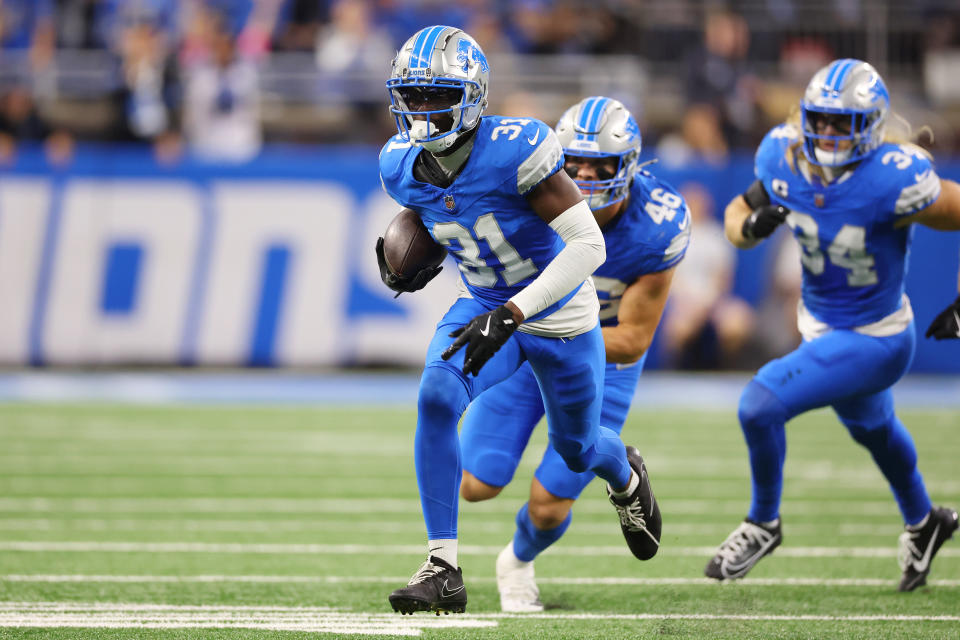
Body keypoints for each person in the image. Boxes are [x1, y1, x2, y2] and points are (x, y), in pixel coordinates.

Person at [376, 27, 659, 615]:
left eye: (438, 96)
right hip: (484, 302)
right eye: (413, 95)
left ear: (473, 96)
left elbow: (587, 247)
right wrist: (407, 254)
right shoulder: (399, 165)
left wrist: (513, 313)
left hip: (558, 312)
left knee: (578, 450)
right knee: (435, 395)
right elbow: (439, 214)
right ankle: (442, 566)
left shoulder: (516, 149)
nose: (422, 111)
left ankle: (626, 476)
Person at [704, 59, 960, 591]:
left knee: (759, 404)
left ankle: (763, 522)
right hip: (820, 325)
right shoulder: (784, 157)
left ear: (870, 125)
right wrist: (750, 228)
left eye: (840, 123)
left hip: (878, 336)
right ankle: (924, 521)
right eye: (819, 120)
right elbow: (734, 218)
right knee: (874, 430)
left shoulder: (894, 176)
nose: (826, 132)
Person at [458, 96, 689, 612]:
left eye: (599, 165)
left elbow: (632, 339)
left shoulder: (656, 224)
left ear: (627, 166)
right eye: (575, 161)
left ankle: (516, 562)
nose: (584, 175)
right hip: (528, 343)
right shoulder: (526, 191)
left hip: (599, 361)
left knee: (547, 506)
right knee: (476, 483)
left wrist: (539, 328)